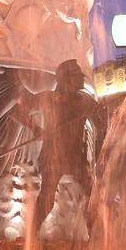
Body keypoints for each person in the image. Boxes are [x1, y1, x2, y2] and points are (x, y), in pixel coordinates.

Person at [17, 59, 100, 234]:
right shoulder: (48, 99)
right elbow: (18, 110)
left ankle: (95, 239)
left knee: (91, 195)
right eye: (77, 77)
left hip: (76, 156)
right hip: (52, 156)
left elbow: (101, 116)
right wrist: (36, 129)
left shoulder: (84, 102)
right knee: (47, 197)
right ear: (64, 79)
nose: (81, 81)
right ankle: (31, 236)